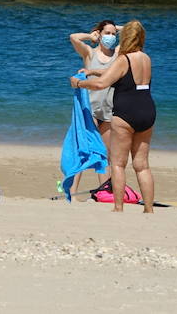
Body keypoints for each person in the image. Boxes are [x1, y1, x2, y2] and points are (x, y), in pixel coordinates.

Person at [73, 19, 154, 212]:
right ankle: (149, 209)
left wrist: (79, 83)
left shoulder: (123, 59)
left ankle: (118, 207)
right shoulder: (146, 58)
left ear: (125, 37)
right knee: (142, 165)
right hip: (148, 111)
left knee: (118, 163)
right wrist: (93, 70)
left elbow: (102, 84)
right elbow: (115, 73)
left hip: (126, 112)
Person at [69, 20, 118, 198]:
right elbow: (73, 37)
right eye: (107, 33)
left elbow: (133, 31)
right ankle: (72, 193)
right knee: (83, 150)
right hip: (89, 108)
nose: (111, 37)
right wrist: (91, 36)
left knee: (105, 153)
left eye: (114, 34)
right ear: (100, 34)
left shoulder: (119, 53)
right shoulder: (90, 54)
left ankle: (105, 192)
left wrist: (116, 27)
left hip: (110, 108)